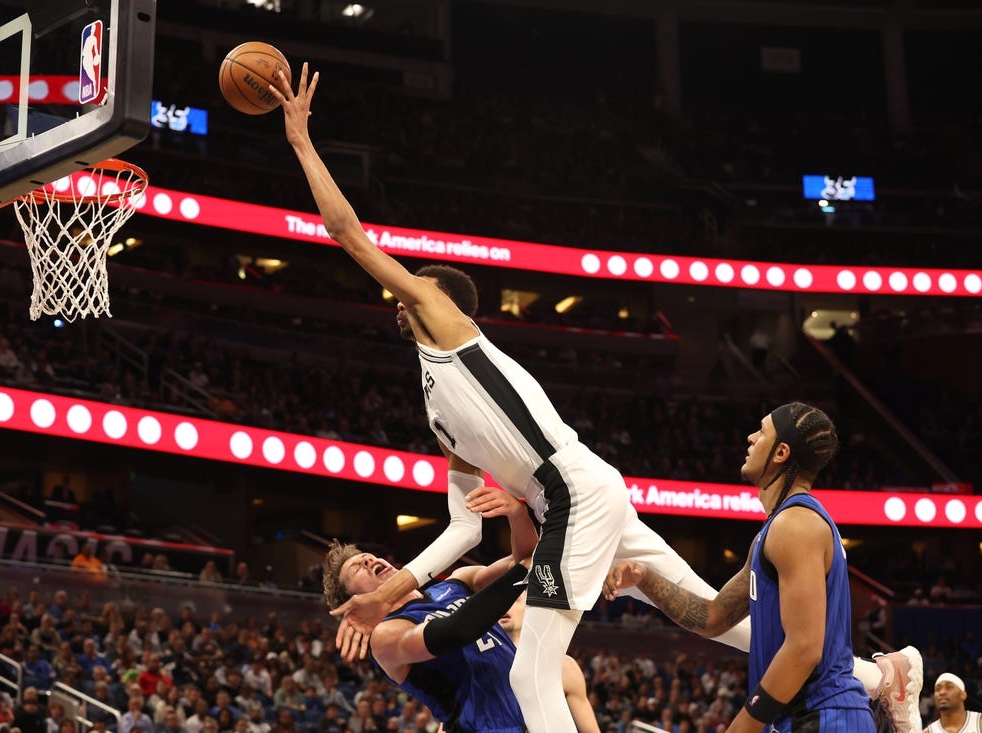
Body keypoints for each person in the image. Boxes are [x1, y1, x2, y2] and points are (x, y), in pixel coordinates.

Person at [271, 65, 923, 733]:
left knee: (532, 669)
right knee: (699, 608)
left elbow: (347, 233)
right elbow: (465, 528)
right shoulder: (440, 413)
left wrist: (299, 140)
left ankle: (879, 677)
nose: (408, 286)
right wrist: (388, 589)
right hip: (576, 495)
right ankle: (882, 675)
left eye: (417, 282)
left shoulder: (445, 322)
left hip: (572, 491)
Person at [604, 402, 877, 733]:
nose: (750, 438)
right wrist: (645, 578)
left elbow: (804, 648)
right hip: (806, 718)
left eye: (761, 432)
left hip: (824, 718)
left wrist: (743, 726)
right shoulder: (778, 527)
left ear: (781, 452)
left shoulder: (795, 526)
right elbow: (713, 617)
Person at [321, 481, 537, 733]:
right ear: (355, 602)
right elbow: (456, 632)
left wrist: (517, 513)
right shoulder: (385, 636)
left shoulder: (457, 582)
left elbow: (525, 555)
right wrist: (523, 571)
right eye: (356, 568)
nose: (368, 560)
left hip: (532, 719)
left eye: (368, 556)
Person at [497, 592, 600, 733]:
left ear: (530, 606)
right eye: (499, 601)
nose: (504, 606)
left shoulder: (565, 667)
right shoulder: (477, 661)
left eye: (514, 600)